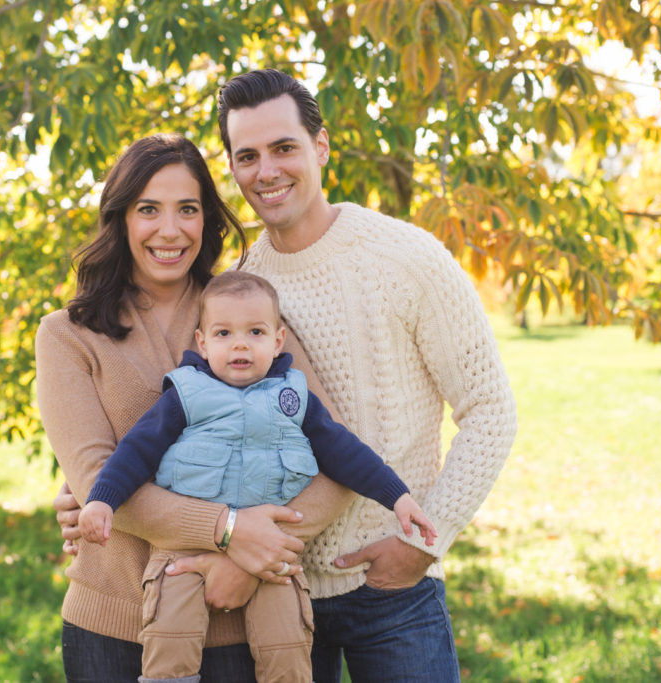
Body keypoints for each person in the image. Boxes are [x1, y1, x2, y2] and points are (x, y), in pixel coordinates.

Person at [55, 69, 517, 682]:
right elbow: (162, 440)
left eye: (284, 148)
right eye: (247, 156)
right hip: (270, 596)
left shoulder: (402, 259)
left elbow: (476, 410)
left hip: (380, 584)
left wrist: (422, 543)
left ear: (320, 147)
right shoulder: (243, 286)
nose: (266, 170)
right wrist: (94, 497)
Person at [36, 132, 358, 683]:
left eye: (188, 209)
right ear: (120, 219)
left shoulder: (248, 316)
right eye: (148, 210)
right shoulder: (67, 335)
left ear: (207, 219)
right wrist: (228, 531)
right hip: (116, 631)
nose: (170, 230)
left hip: (254, 629)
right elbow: (97, 481)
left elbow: (336, 463)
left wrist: (244, 561)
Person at [78, 270, 437, 683]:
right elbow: (136, 451)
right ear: (202, 342)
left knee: (287, 648)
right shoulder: (186, 394)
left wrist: (398, 496)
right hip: (183, 552)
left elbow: (344, 451)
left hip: (271, 556)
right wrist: (102, 499)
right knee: (169, 639)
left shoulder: (292, 396)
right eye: (224, 333)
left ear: (278, 340)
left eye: (255, 332)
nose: (241, 344)